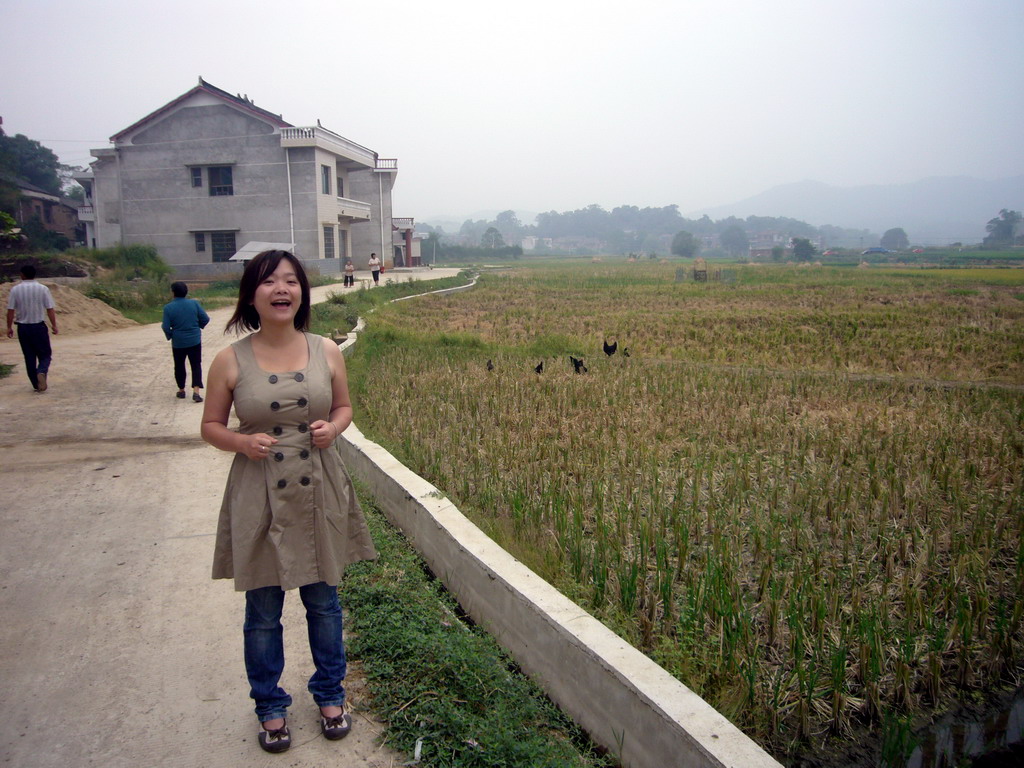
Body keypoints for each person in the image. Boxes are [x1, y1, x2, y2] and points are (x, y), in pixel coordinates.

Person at [201, 249, 376, 754]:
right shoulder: (230, 359)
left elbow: (343, 407)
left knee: (324, 602)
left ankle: (329, 693)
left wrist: (333, 428)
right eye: (270, 281)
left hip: (318, 485)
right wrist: (240, 442)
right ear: (251, 294)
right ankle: (270, 705)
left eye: (291, 281)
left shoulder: (326, 350)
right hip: (259, 490)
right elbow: (210, 425)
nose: (282, 289)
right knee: (262, 608)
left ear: (301, 292)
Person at [6, 264, 58, 392]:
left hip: (23, 328)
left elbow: (10, 310)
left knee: (29, 356)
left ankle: (36, 384)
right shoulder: (43, 289)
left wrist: (9, 327)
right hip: (39, 326)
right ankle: (41, 371)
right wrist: (54, 325)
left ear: (22, 275)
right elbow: (50, 309)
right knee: (45, 355)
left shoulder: (15, 290)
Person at [162, 281, 210, 402]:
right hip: (194, 339)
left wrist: (171, 335)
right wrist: (198, 327)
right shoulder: (194, 303)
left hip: (178, 342)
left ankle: (182, 390)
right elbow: (205, 318)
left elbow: (165, 326)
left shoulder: (168, 308)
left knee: (179, 365)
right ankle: (196, 391)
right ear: (186, 292)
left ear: (173, 293)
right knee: (196, 364)